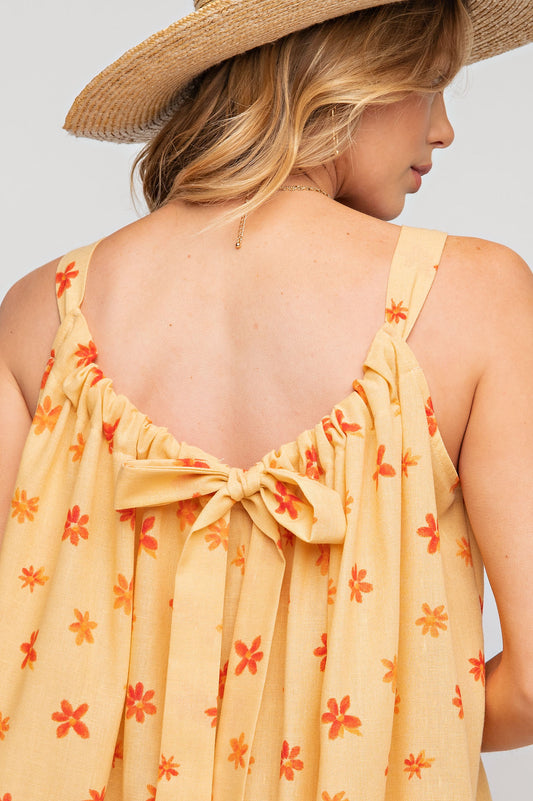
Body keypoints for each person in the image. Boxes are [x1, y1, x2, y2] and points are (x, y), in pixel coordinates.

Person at [0, 0, 532, 798]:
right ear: (342, 77)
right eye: (428, 83)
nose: (444, 128)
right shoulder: (470, 297)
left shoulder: (42, 311)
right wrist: (369, 721)